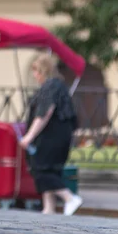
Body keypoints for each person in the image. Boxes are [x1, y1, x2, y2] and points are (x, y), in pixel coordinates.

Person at [20, 54, 83, 216]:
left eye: (36, 71)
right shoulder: (58, 86)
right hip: (60, 136)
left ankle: (69, 198)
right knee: (51, 169)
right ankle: (49, 208)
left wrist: (29, 136)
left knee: (41, 169)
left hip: (51, 136)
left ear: (43, 71)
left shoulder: (50, 87)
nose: (35, 75)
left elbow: (44, 113)